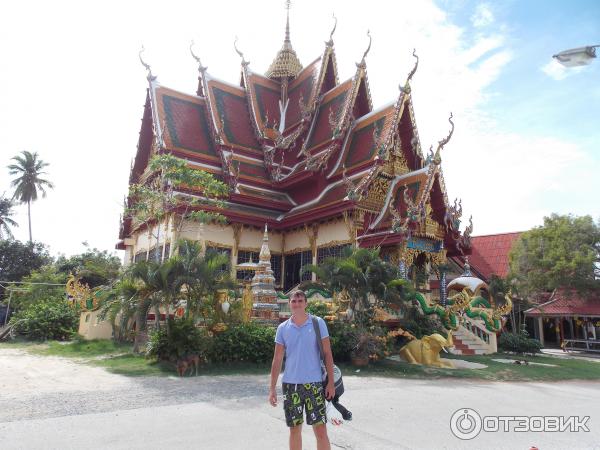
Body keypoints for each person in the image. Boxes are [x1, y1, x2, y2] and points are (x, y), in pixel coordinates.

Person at [269, 289, 336, 450]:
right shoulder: (283, 328)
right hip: (291, 386)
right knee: (294, 430)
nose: (297, 304)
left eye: (300, 301)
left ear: (306, 303)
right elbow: (277, 359)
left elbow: (327, 354)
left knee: (320, 430)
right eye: (294, 301)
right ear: (289, 304)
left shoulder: (317, 323)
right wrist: (272, 388)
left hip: (314, 385)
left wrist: (331, 383)